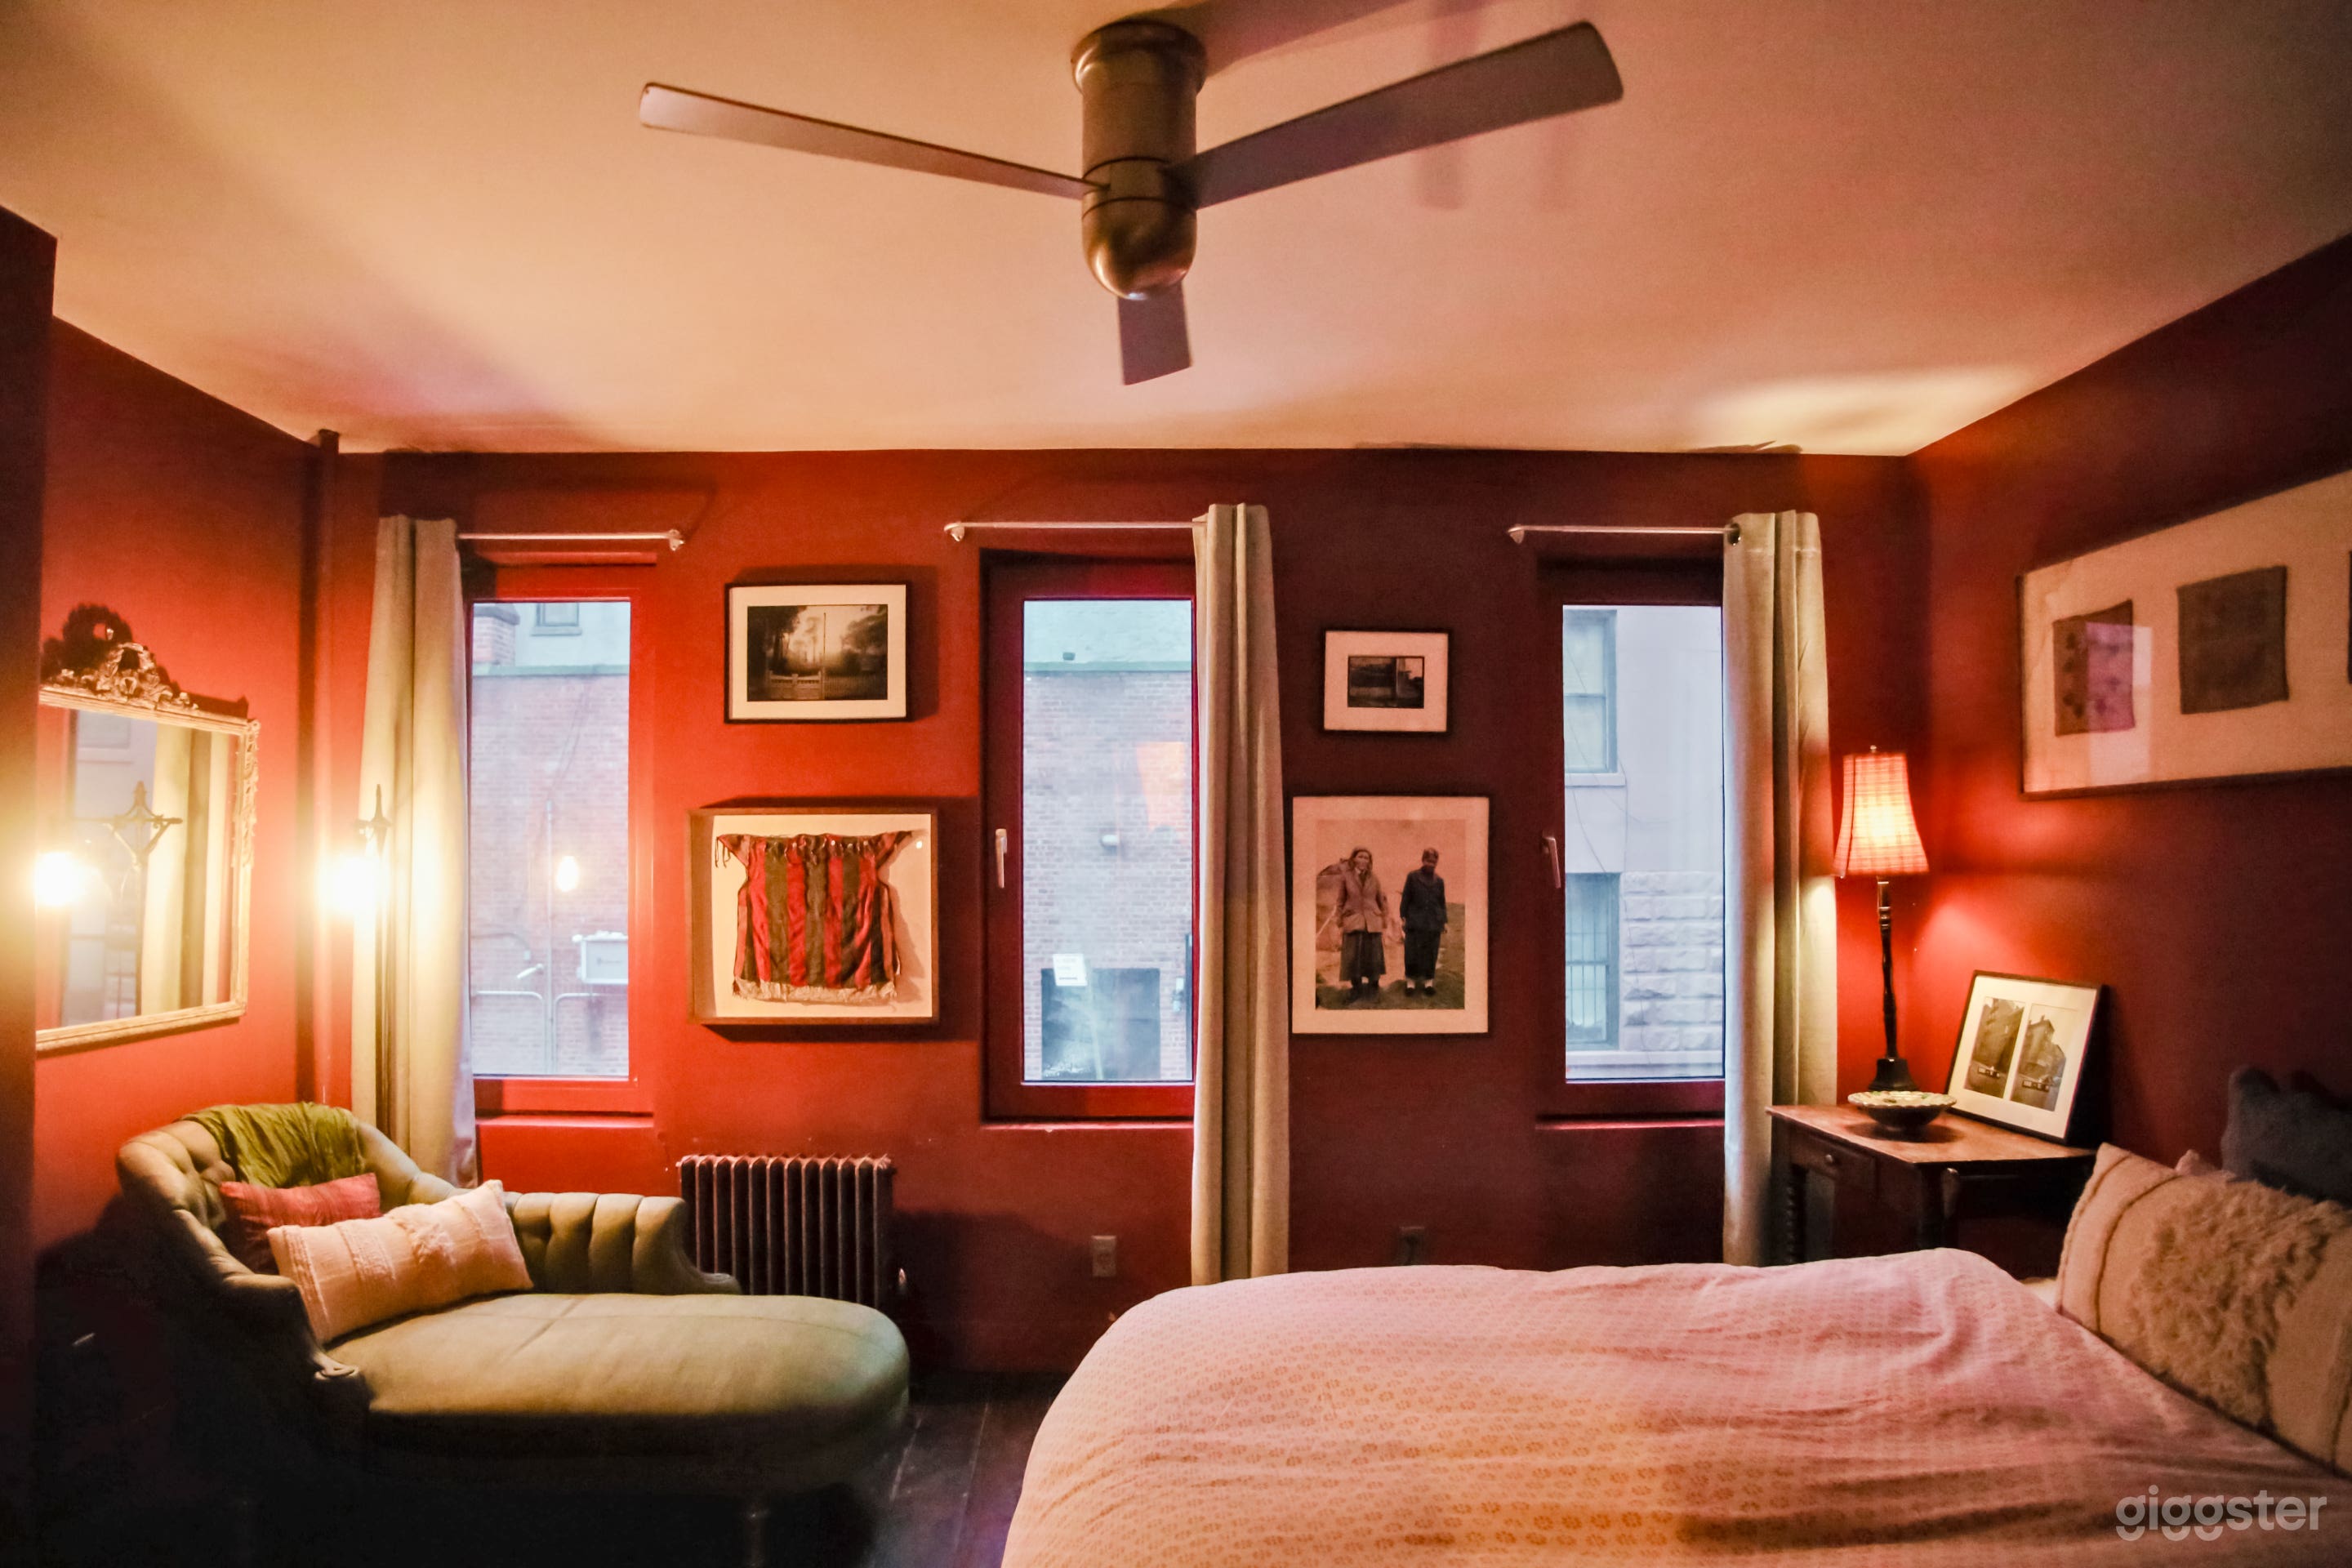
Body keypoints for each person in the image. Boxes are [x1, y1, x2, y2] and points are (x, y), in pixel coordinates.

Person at [1328, 848, 1389, 1002]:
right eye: (1360, 857)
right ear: (1354, 859)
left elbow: (1381, 900)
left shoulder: (1374, 878)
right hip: (1353, 920)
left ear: (1370, 862)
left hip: (1372, 921)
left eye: (1367, 858)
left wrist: (1384, 918)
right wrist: (1339, 918)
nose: (1363, 860)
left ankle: (1374, 986)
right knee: (1353, 957)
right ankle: (1356, 988)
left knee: (1373, 956)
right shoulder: (1346, 878)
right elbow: (1340, 900)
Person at [1399, 848, 1446, 996]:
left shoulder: (1439, 881)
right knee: (1412, 952)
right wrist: (1404, 916)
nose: (1430, 864)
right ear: (1423, 860)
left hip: (1433, 923)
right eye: (1428, 861)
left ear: (1436, 862)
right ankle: (1410, 984)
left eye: (1433, 862)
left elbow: (1441, 902)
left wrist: (1444, 921)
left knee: (1431, 953)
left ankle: (1428, 983)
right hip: (1415, 922)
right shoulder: (1413, 877)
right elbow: (1406, 897)